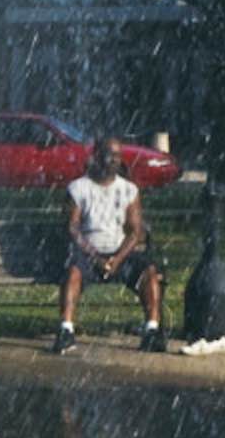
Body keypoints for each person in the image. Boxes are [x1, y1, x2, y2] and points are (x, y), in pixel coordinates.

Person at [56, 136, 166, 355]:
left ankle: (152, 331)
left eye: (118, 155)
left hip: (120, 253)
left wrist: (117, 260)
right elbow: (73, 228)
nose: (114, 160)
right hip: (88, 254)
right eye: (109, 155)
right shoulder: (78, 188)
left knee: (149, 271)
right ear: (96, 156)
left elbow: (135, 232)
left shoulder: (128, 190)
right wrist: (95, 257)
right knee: (72, 272)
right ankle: (66, 331)